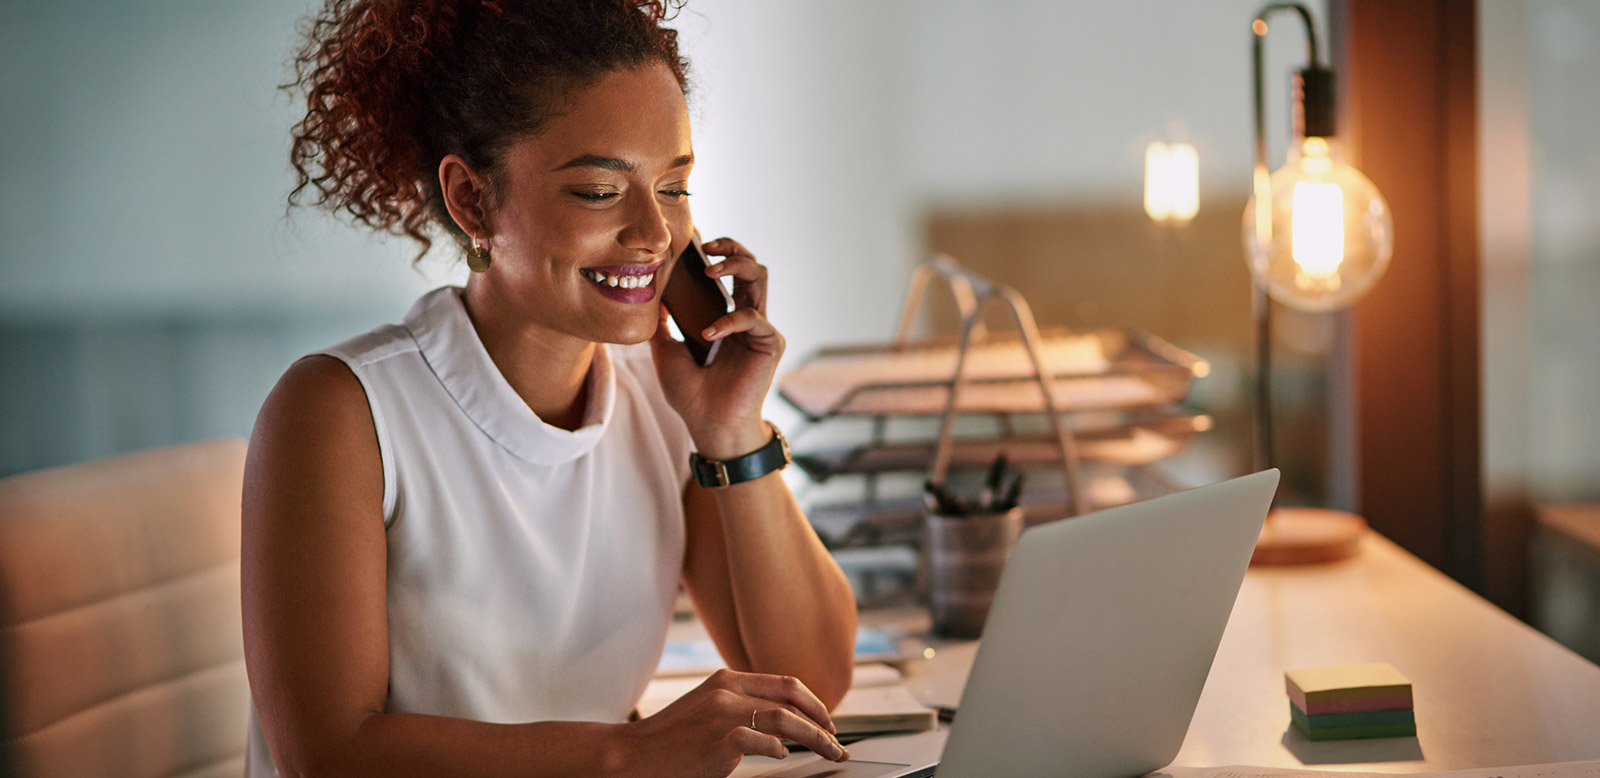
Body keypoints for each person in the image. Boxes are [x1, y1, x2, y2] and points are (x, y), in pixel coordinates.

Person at [241, 1, 858, 775]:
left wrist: (733, 431)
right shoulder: (340, 411)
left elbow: (812, 683)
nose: (656, 236)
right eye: (601, 192)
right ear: (472, 200)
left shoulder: (663, 400)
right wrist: (628, 755)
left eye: (673, 187)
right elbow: (327, 754)